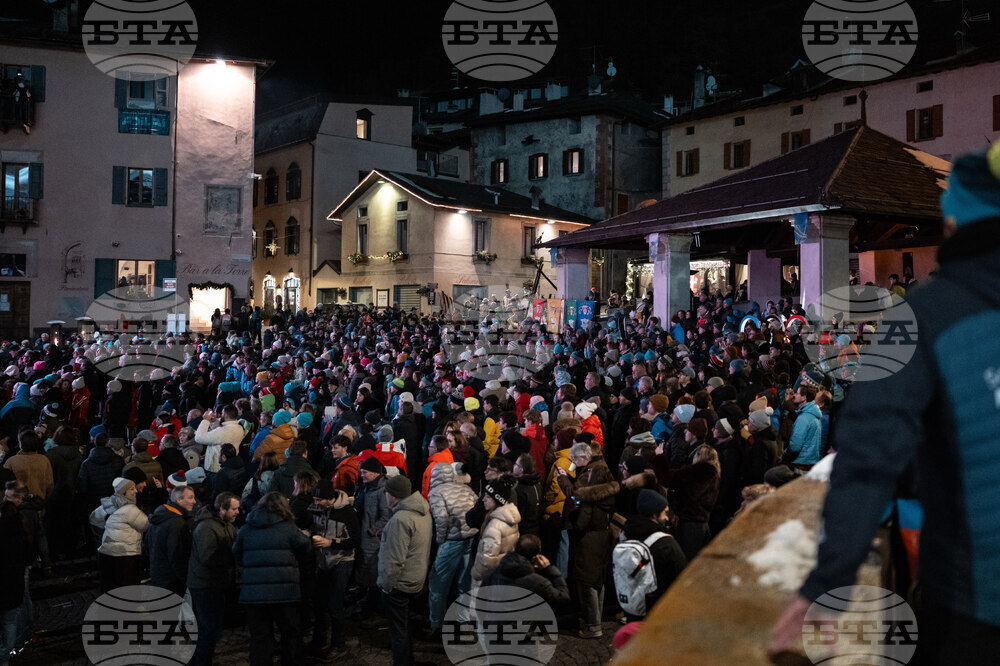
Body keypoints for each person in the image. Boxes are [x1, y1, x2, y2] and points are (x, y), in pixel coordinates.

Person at [770, 148, 1000, 662]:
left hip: (975, 601)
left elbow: (868, 456)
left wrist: (827, 583)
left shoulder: (927, 315)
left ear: (956, 222)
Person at [233, 492, 312, 666]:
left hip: (254, 594)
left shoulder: (246, 529)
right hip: (284, 592)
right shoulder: (288, 528)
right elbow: (305, 547)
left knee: (260, 637)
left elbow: (237, 554)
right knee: (290, 634)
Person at [556, 442, 619, 638]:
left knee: (587, 580)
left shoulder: (590, 478)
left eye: (575, 460)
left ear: (584, 458)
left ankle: (593, 625)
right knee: (597, 579)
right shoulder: (600, 470)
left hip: (590, 537)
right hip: (602, 534)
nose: (574, 463)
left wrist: (564, 480)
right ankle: (596, 620)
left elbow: (577, 498)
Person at [377, 475, 432, 666]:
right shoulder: (423, 511)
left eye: (386, 492)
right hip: (416, 578)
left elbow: (394, 559)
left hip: (399, 584)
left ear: (393, 496)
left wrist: (386, 585)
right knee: (406, 626)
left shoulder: (401, 519)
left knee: (398, 632)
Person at [305, 479, 359, 661]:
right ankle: (318, 641)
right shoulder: (316, 508)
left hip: (341, 562)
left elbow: (355, 540)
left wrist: (331, 542)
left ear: (330, 499)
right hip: (322, 562)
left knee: (335, 604)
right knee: (320, 603)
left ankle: (339, 644)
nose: (316, 503)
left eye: (319, 500)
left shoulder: (347, 513)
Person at [426, 461, 478, 637]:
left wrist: (440, 540)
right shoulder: (465, 488)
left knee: (438, 583)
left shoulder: (436, 492)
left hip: (452, 541)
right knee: (464, 582)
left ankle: (437, 625)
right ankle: (465, 621)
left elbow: (441, 519)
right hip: (469, 538)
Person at [188, 492, 239, 666]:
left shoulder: (226, 525)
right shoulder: (207, 528)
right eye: (234, 509)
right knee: (208, 629)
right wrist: (232, 556)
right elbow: (207, 557)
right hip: (205, 585)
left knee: (211, 628)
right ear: (222, 509)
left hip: (216, 583)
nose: (237, 512)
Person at [621, 489, 687, 615]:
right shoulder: (665, 544)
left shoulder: (626, 535)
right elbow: (682, 575)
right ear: (654, 515)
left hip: (633, 608)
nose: (667, 518)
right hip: (658, 611)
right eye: (664, 513)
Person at [96, 477, 148, 592]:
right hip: (126, 554)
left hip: (106, 552)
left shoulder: (110, 503)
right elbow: (146, 525)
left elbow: (94, 518)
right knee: (128, 589)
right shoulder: (130, 509)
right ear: (123, 492)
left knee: (110, 586)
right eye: (132, 489)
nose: (135, 491)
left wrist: (107, 527)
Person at [147, 485, 196, 596]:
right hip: (172, 581)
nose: (194, 501)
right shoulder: (177, 523)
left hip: (157, 575)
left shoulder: (159, 516)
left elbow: (147, 545)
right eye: (190, 497)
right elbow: (177, 556)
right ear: (179, 499)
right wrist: (185, 578)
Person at [195, 405, 245, 474]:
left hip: (216, 468)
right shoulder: (240, 428)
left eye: (222, 413)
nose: (221, 415)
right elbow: (218, 434)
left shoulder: (223, 431)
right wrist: (214, 422)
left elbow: (199, 438)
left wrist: (205, 420)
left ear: (226, 415)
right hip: (229, 465)